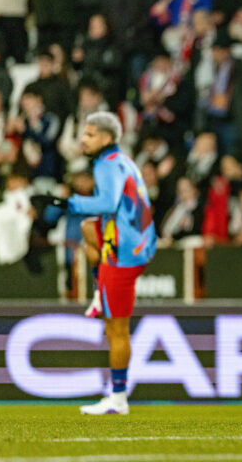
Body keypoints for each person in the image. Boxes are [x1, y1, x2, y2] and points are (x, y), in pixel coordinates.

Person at [30, 112, 156, 415]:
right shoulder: (123, 160)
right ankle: (101, 285)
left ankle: (118, 397)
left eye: (89, 134)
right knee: (88, 227)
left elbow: (107, 202)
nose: (83, 139)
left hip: (123, 250)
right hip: (136, 238)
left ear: (107, 138)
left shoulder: (106, 164)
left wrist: (62, 202)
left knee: (117, 330)